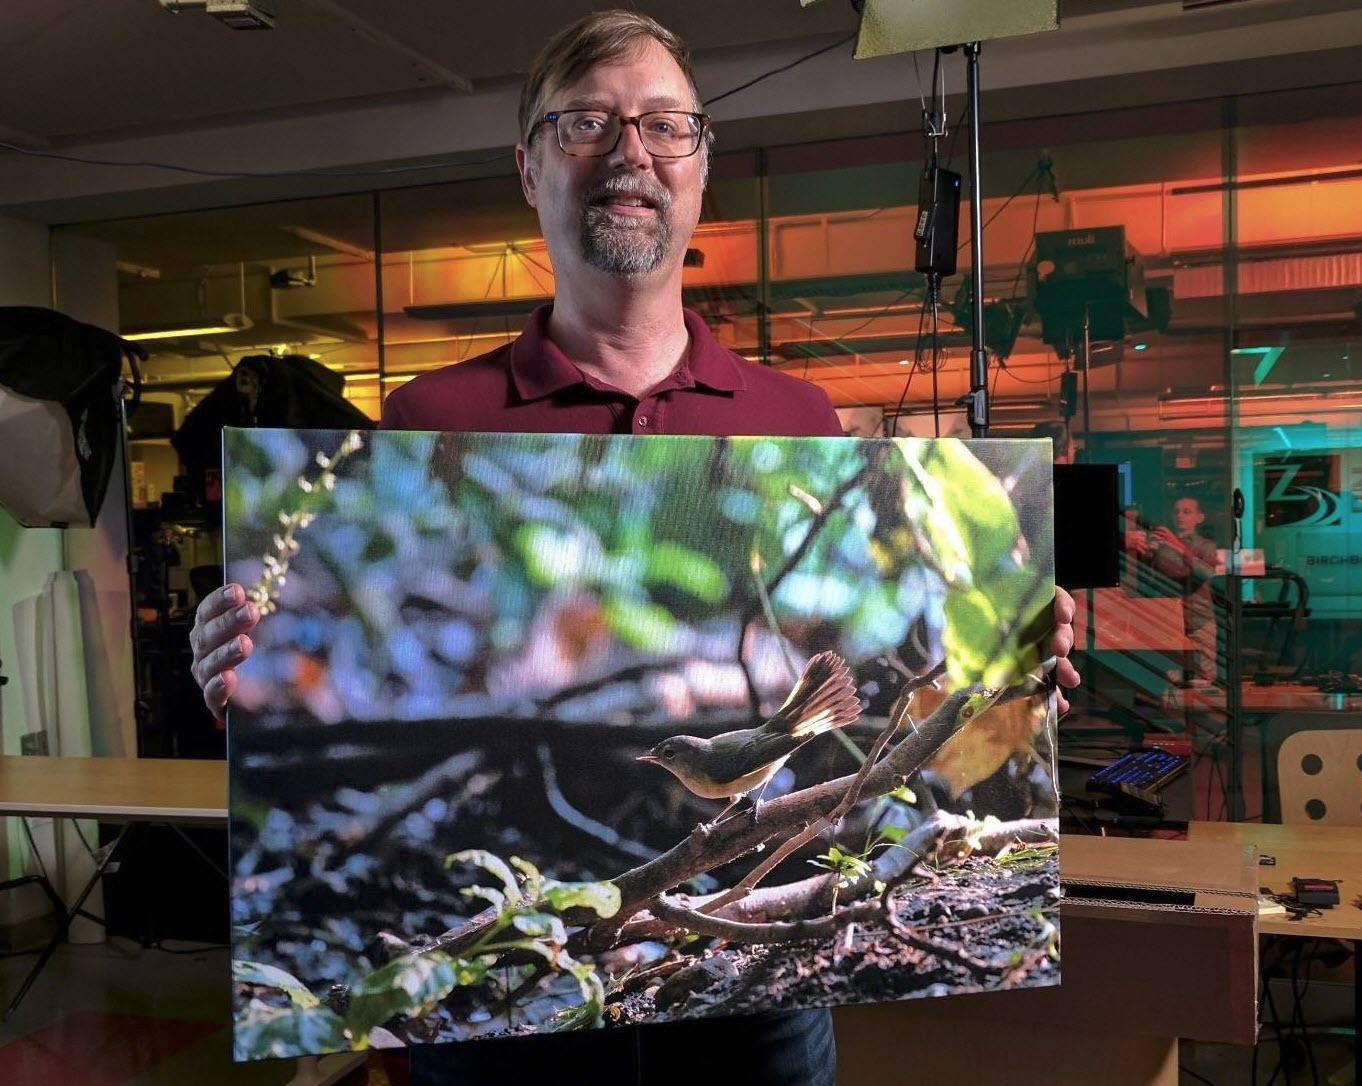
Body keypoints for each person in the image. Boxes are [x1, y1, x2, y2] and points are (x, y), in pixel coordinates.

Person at [189, 11, 1081, 1084]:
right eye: (587, 123)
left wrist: (1025, 659)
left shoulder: (796, 413)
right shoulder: (431, 417)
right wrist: (245, 670)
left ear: (701, 167)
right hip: (513, 1021)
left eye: (665, 126)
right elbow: (363, 660)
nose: (631, 153)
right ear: (529, 169)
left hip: (755, 1006)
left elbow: (865, 636)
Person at [1129, 494, 1219, 685]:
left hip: (1199, 618)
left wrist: (1176, 545)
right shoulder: (1163, 545)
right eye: (1177, 511)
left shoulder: (1206, 546)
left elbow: (1206, 572)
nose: (1180, 516)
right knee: (1171, 676)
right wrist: (1145, 553)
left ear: (1199, 517)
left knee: (1205, 676)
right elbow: (1153, 577)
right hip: (1169, 619)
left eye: (1187, 512)